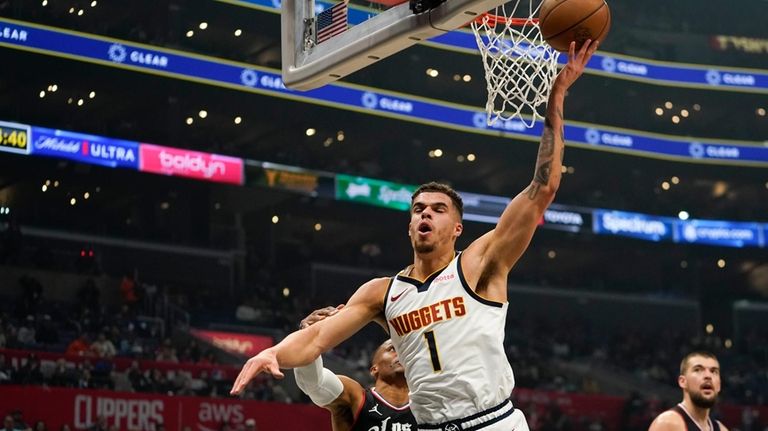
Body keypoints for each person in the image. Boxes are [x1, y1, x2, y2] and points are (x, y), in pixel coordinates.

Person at [231, 39, 600, 430]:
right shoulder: (382, 293)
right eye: (419, 209)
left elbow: (543, 188)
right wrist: (274, 353)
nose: (426, 213)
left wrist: (557, 97)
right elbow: (317, 337)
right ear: (410, 226)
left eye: (438, 209)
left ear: (457, 228)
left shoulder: (479, 264)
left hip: (493, 422)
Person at [293, 306, 415, 431]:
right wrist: (307, 336)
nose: (400, 354)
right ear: (374, 369)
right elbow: (314, 384)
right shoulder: (355, 396)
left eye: (404, 351)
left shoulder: (428, 405)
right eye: (392, 348)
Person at [648, 351, 728, 431]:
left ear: (719, 385)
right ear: (683, 381)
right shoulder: (668, 423)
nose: (708, 376)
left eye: (713, 371)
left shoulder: (721, 428)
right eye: (698, 370)